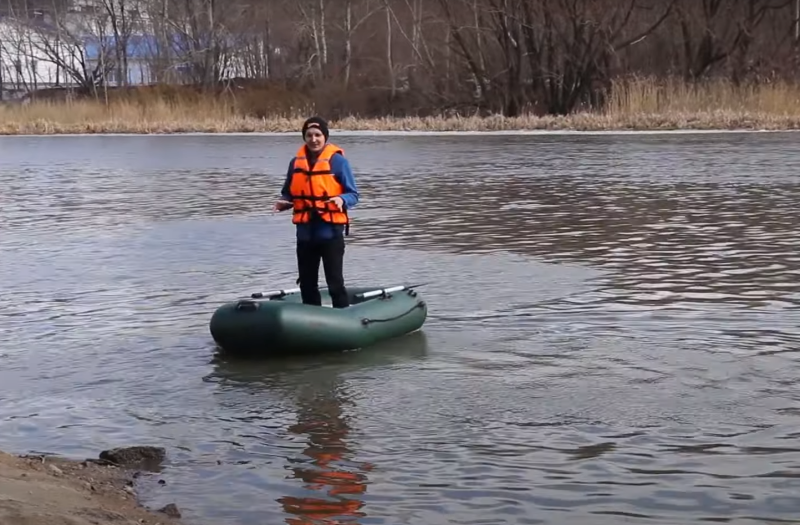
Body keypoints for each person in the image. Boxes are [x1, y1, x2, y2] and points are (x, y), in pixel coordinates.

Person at [273, 116, 359, 308]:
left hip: (330, 233)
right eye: (309, 135)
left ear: (325, 137)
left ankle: (343, 320)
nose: (313, 139)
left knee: (335, 283)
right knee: (307, 283)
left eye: (318, 135)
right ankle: (313, 321)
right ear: (304, 137)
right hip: (305, 234)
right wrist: (284, 203)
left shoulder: (338, 162)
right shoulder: (295, 163)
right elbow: (288, 192)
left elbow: (353, 195)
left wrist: (341, 199)